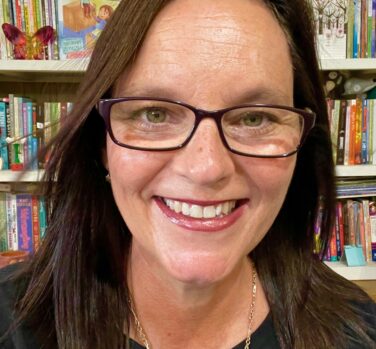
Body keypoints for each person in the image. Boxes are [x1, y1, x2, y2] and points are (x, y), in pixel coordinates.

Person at [1, 0, 376, 348]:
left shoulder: (357, 331)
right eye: (155, 114)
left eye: (254, 118)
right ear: (101, 145)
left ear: (302, 143)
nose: (206, 168)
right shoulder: (11, 322)